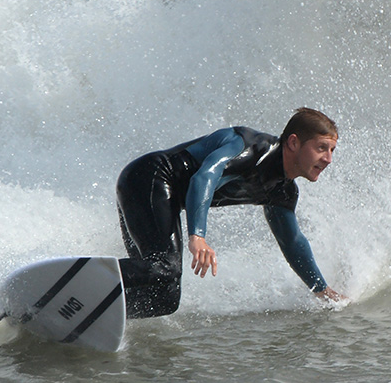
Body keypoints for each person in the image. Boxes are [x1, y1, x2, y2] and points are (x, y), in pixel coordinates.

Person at [115, 107, 346, 318]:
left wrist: (321, 290)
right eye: (321, 148)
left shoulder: (281, 191)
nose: (328, 159)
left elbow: (292, 242)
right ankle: (82, 277)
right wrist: (198, 236)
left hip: (163, 199)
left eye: (332, 150)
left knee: (165, 298)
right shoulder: (250, 147)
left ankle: (98, 310)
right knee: (164, 267)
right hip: (148, 178)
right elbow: (204, 176)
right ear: (294, 143)